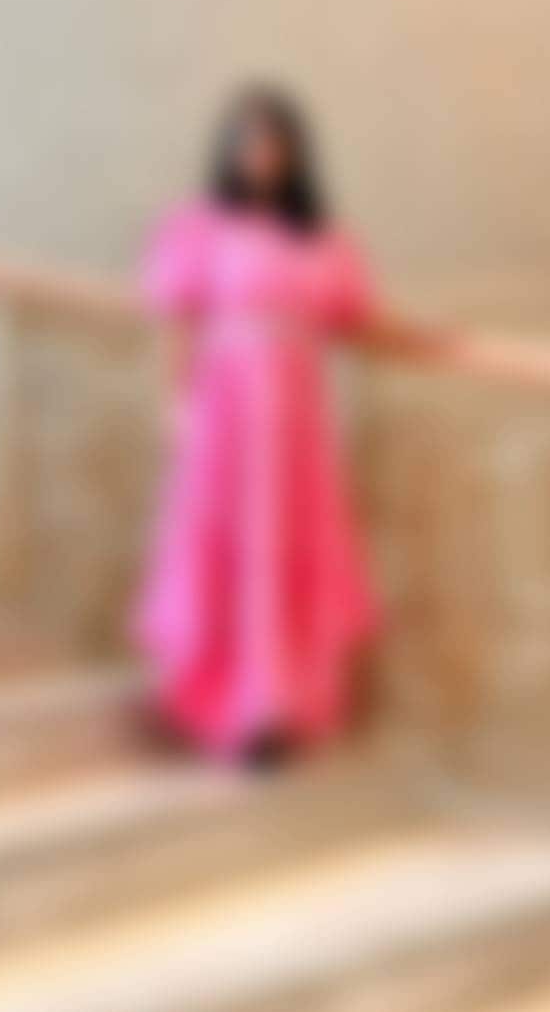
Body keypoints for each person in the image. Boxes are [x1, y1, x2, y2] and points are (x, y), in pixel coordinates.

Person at [135, 85, 380, 769]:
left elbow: (352, 317)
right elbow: (178, 321)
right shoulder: (201, 227)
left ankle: (278, 706)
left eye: (275, 142)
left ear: (295, 154)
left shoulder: (317, 238)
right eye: (248, 140)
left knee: (287, 548)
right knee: (224, 543)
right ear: (228, 150)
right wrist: (176, 406)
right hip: (225, 409)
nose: (261, 154)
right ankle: (215, 702)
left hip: (296, 419)